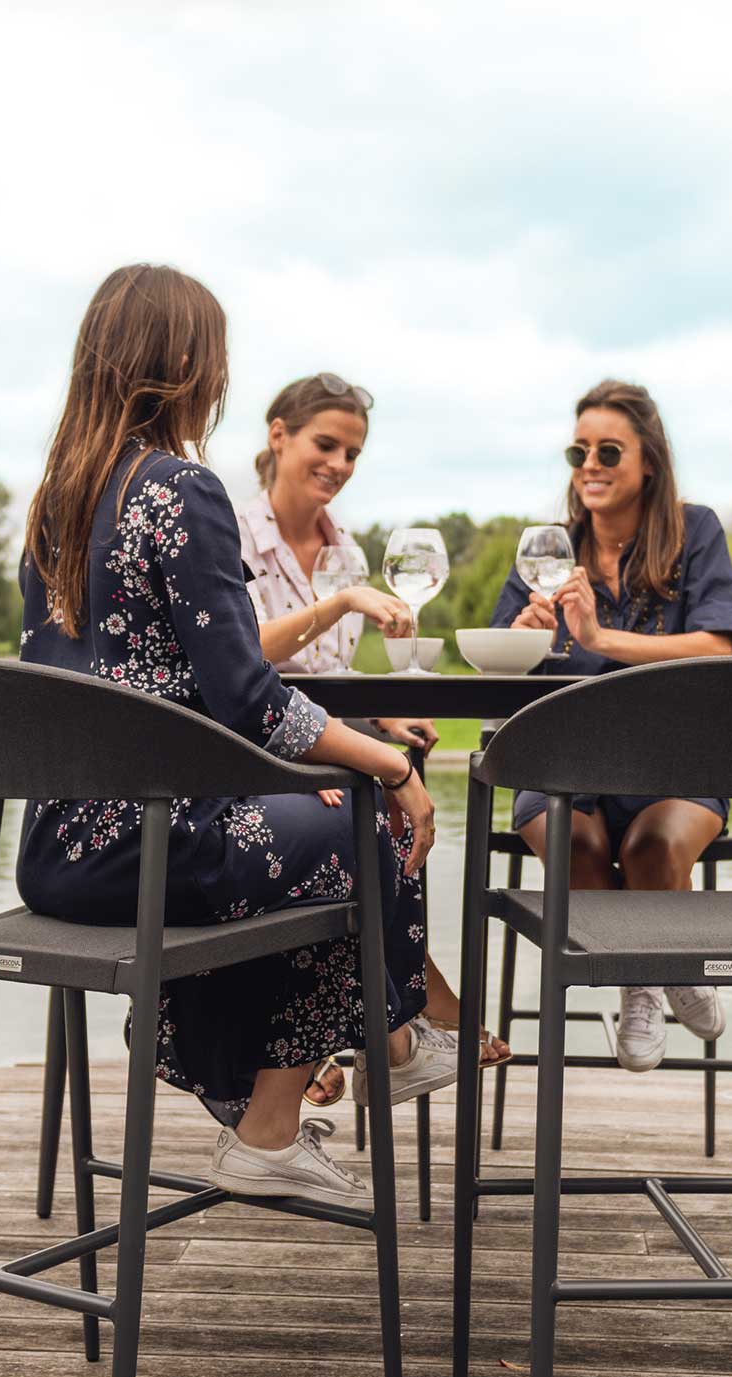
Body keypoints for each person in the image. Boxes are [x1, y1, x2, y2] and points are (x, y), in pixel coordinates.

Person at [15, 265, 457, 1208]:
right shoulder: (180, 490)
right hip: (148, 845)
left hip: (57, 852)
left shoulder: (55, 502)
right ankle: (342, 1077)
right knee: (360, 824)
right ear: (189, 366)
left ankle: (285, 1087)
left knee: (303, 819)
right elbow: (250, 698)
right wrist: (386, 762)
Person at [235, 371, 511, 1106]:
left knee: (401, 765)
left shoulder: (347, 549)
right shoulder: (229, 532)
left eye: (353, 453)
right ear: (278, 435)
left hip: (325, 734)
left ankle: (355, 1025)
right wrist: (340, 604)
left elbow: (330, 672)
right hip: (255, 741)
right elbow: (240, 657)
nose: (340, 465)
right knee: (362, 810)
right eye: (326, 444)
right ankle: (404, 1007)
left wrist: (383, 717)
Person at [490, 378, 732, 1072]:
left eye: (609, 450)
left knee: (650, 848)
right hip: (561, 766)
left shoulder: (696, 534)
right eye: (579, 451)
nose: (591, 465)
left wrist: (598, 636)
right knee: (573, 842)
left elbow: (715, 648)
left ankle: (653, 976)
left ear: (648, 462)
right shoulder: (548, 548)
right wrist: (524, 633)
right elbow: (495, 666)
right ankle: (660, 975)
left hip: (675, 766)